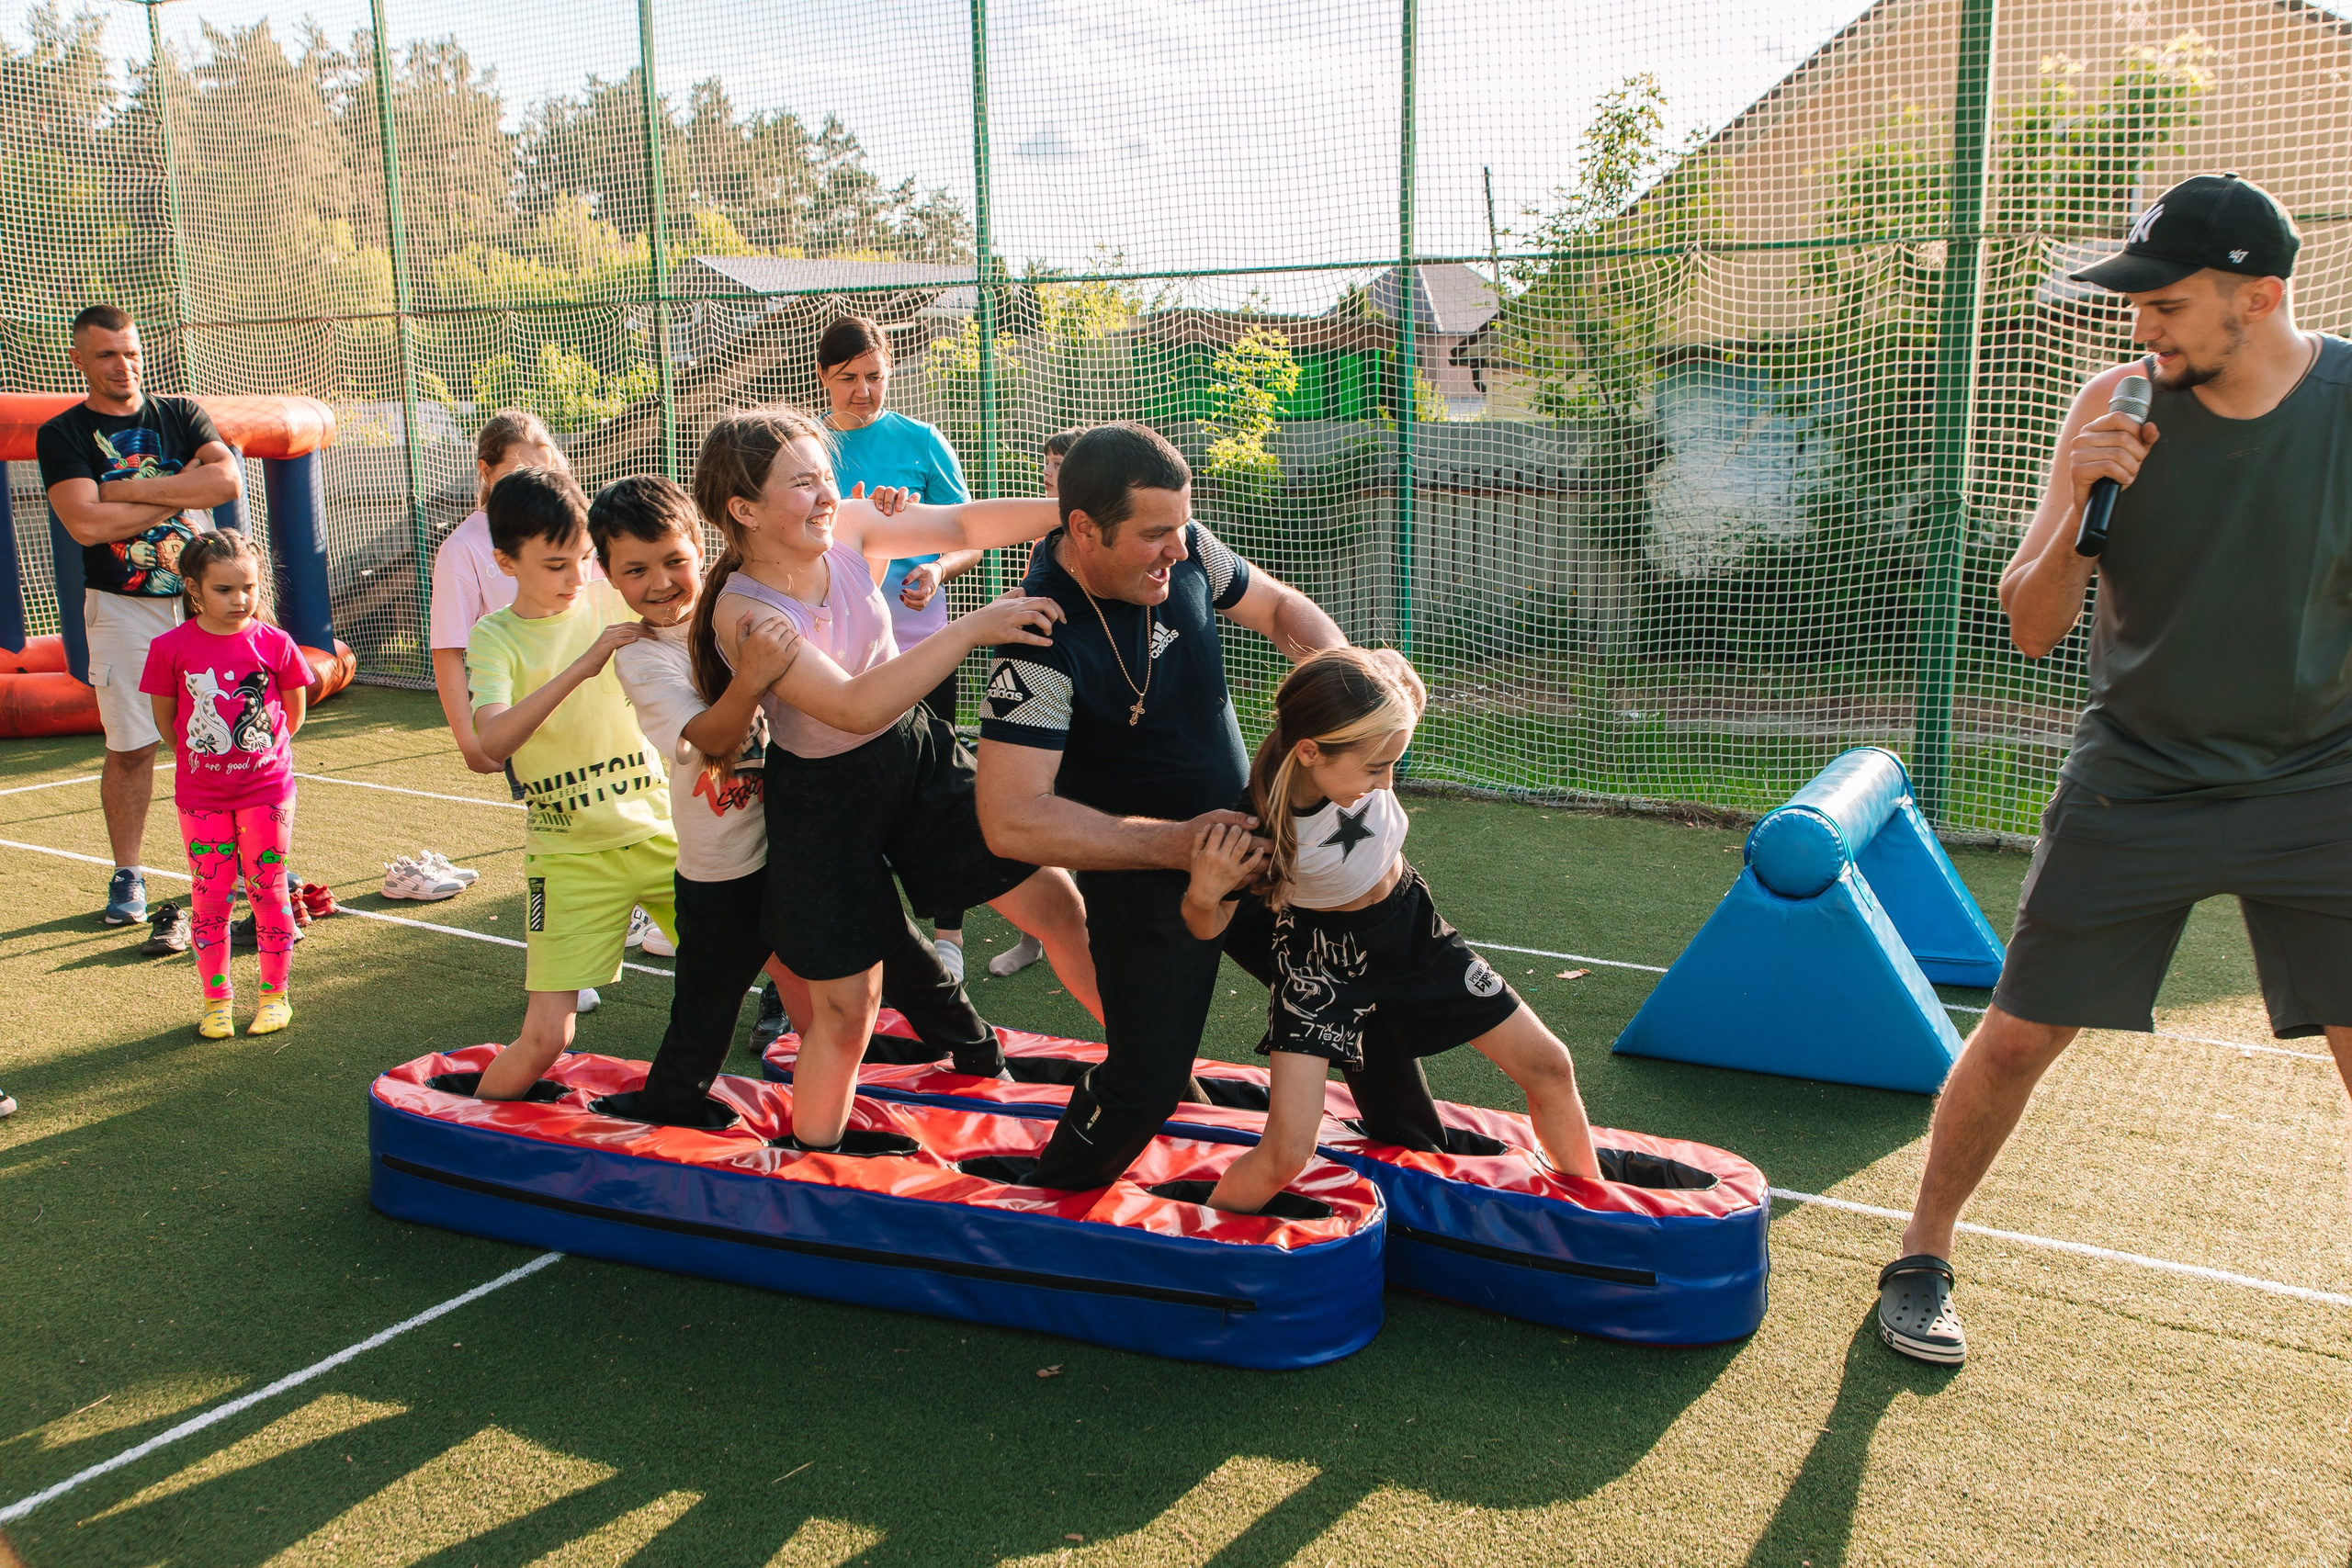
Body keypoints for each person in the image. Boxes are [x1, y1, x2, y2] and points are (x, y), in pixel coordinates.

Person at [1876, 173, 2352, 1368]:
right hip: (2138, 773)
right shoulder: (2114, 402)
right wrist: (2089, 498)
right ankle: (1921, 1249)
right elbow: (2032, 624)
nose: (2141, 325)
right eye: (2135, 299)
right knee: (2022, 1033)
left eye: (2170, 301)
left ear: (2261, 296)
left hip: (2317, 783)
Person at [974, 421, 1454, 1192]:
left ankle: (1429, 1185)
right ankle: (1038, 1205)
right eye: (1154, 533)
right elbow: (1011, 816)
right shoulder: (1038, 635)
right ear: (1084, 529)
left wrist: (1347, 676)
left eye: (1180, 525)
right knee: (1148, 1083)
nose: (1177, 546)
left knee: (1360, 1001)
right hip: (1145, 874)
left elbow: (1279, 608)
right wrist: (1180, 844)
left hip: (1264, 841)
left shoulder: (1188, 546)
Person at [689, 406, 1098, 1151]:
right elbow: (850, 704)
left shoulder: (843, 526)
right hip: (823, 799)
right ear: (744, 509)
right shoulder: (746, 611)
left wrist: (1081, 510)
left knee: (1055, 899)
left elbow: (961, 528)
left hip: (910, 754)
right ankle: (814, 1164)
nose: (825, 495)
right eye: (803, 483)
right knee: (851, 1009)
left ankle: (1155, 1065)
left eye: (826, 477)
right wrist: (971, 626)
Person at [584, 476, 1040, 1124]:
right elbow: (714, 737)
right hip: (725, 868)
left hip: (803, 840)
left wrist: (860, 528)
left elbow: (844, 603)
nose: (660, 582)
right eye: (635, 569)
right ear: (608, 574)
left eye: (674, 560)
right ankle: (670, 1108)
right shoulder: (643, 655)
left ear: (702, 548)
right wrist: (750, 680)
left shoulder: (748, 603)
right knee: (706, 1007)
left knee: (901, 951)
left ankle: (978, 1052)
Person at [1179, 648, 1600, 1212]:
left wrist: (1391, 674)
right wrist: (1203, 893)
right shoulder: (1255, 832)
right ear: (1310, 752)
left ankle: (1600, 1218)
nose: (1386, 782)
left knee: (1551, 1065)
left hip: (1412, 933)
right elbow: (1204, 929)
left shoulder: (1374, 717)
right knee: (1286, 1152)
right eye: (1375, 768)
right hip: (1319, 965)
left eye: (1393, 763)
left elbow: (1393, 687)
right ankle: (1205, 1239)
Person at [463, 468, 677, 1100]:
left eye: (585, 559)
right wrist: (585, 664)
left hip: (664, 837)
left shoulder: (613, 596)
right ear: (506, 560)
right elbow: (492, 742)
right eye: (557, 565)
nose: (579, 579)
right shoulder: (495, 637)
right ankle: (464, 1143)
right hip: (567, 858)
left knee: (780, 969)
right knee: (546, 1038)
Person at [37, 304, 243, 929]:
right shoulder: (64, 433)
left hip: (201, 605)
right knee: (133, 747)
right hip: (123, 607)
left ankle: (244, 861)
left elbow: (226, 480)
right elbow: (84, 522)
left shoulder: (178, 413)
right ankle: (128, 873)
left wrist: (123, 490)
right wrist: (174, 491)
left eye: (130, 352)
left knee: (225, 736)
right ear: (79, 359)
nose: (123, 366)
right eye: (106, 355)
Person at [816, 315, 986, 981]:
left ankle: (948, 938)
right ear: (823, 375)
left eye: (875, 375)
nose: (864, 390)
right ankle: (866, 936)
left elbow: (969, 531)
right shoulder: (805, 446)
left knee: (935, 780)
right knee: (850, 786)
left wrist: (937, 569)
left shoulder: (921, 441)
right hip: (835, 647)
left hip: (921, 645)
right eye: (849, 377)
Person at [424, 411, 615, 1006]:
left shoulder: (571, 530)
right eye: (518, 464)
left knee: (614, 816)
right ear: (485, 472)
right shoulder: (465, 549)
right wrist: (469, 738)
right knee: (560, 832)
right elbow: (451, 649)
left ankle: (621, 914)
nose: (536, 473)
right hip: (526, 715)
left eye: (546, 459)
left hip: (593, 707)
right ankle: (563, 959)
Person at [138, 530, 317, 1038]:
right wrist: (213, 763)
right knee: (210, 895)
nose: (240, 600)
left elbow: (293, 715)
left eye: (249, 588)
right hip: (202, 796)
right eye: (224, 590)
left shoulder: (275, 643)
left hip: (267, 792)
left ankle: (275, 996)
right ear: (193, 588)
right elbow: (169, 724)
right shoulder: (168, 648)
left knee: (268, 888)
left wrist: (256, 759)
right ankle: (217, 1001)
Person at [987, 425, 1084, 982]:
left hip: (1091, 697)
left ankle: (1090, 931)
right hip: (1045, 691)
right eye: (1045, 473)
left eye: (1058, 475)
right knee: (1035, 806)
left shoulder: (1104, 536)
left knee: (1093, 814)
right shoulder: (1044, 535)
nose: (1047, 484)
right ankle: (1035, 937)